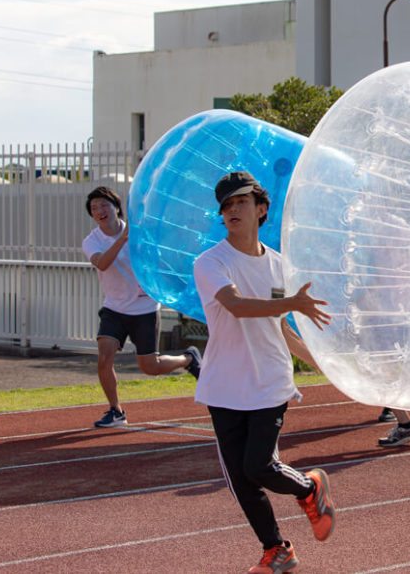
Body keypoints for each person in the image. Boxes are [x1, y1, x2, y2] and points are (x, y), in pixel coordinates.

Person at [192, 171, 336, 574]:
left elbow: (281, 325)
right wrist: (290, 302)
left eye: (240, 202)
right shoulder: (210, 263)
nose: (231, 210)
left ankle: (310, 488)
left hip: (269, 380)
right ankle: (276, 549)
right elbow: (237, 306)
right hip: (223, 385)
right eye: (225, 205)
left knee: (259, 466)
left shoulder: (279, 267)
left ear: (261, 209)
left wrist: (320, 360)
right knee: (241, 479)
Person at [82, 186, 201, 428]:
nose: (99, 211)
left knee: (150, 367)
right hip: (114, 308)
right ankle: (116, 411)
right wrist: (122, 240)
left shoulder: (140, 233)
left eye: (104, 205)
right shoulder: (91, 241)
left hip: (144, 308)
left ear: (116, 207)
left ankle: (188, 359)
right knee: (104, 357)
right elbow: (103, 264)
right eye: (94, 208)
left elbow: (160, 258)